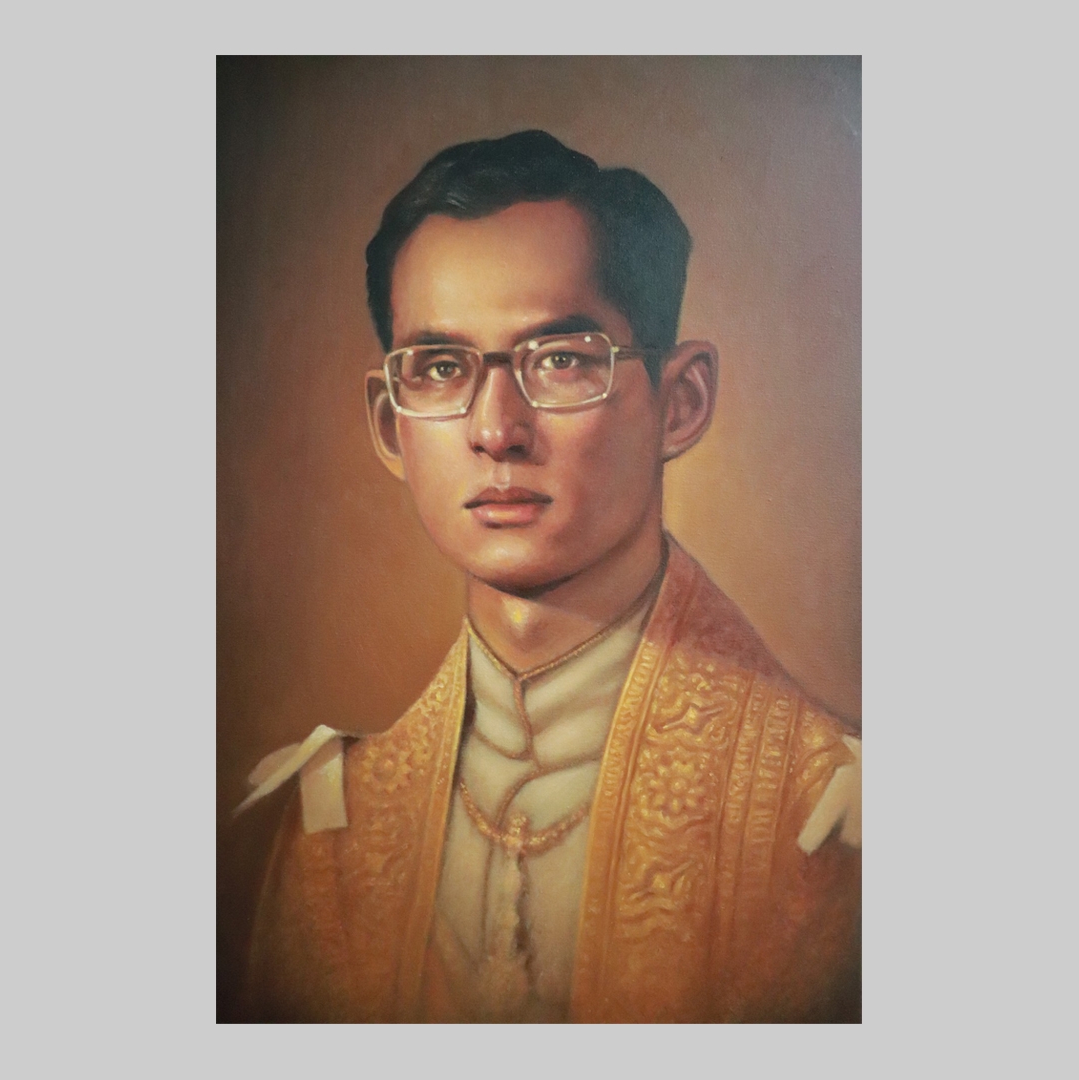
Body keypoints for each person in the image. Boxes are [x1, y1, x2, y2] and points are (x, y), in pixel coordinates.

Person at [233, 130, 861, 1023]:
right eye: (440, 368)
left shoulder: (830, 820)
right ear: (391, 425)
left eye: (561, 359)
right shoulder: (319, 832)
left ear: (680, 402)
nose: (497, 430)